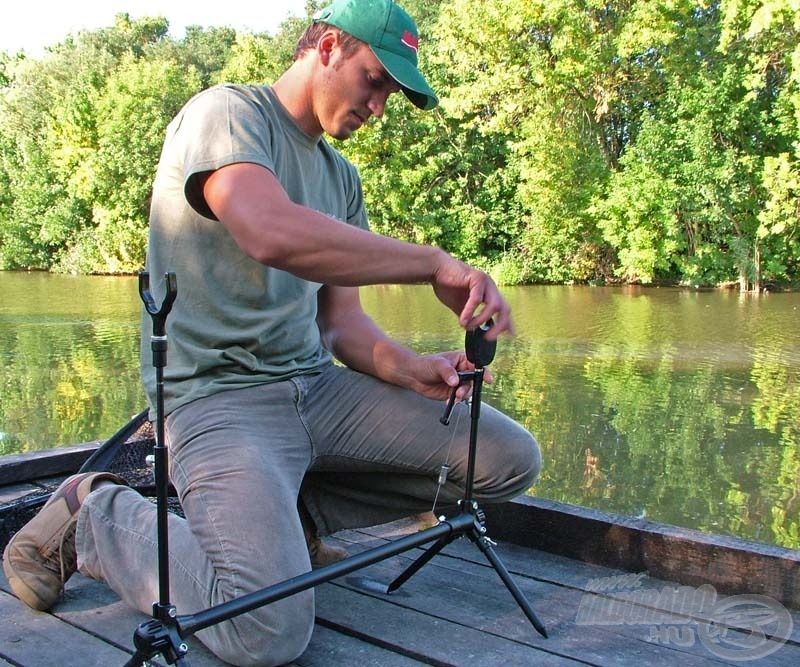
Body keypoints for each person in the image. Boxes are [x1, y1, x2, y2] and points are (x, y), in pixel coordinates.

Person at [2, 1, 541, 665]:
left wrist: (409, 367)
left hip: (314, 390)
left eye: (391, 96)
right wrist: (431, 261)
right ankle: (98, 513)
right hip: (217, 399)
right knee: (267, 631)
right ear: (329, 45)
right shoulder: (228, 115)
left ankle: (298, 519)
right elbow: (268, 230)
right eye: (375, 81)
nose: (379, 107)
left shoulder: (342, 178)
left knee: (509, 456)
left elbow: (342, 325)